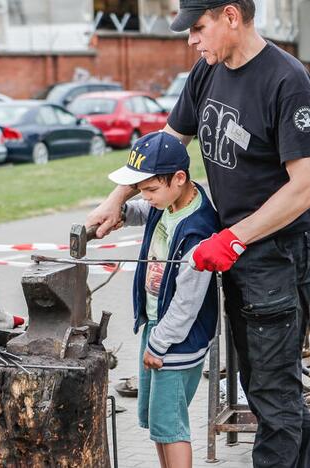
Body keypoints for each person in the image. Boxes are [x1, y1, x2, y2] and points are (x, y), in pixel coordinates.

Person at [87, 1, 310, 467]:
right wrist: (117, 199)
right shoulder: (207, 72)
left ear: (231, 17)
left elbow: (307, 186)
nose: (191, 41)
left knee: (271, 390)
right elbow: (169, 144)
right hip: (234, 248)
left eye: (198, 28)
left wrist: (234, 237)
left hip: (276, 249)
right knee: (268, 384)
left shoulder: (285, 79)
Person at [108, 131, 219, 468]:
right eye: (142, 189)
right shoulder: (168, 201)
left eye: (151, 189)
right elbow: (148, 210)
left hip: (177, 339)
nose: (147, 196)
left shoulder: (197, 230)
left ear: (179, 178)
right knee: (158, 425)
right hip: (157, 327)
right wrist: (122, 212)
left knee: (172, 427)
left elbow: (188, 302)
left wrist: (158, 344)